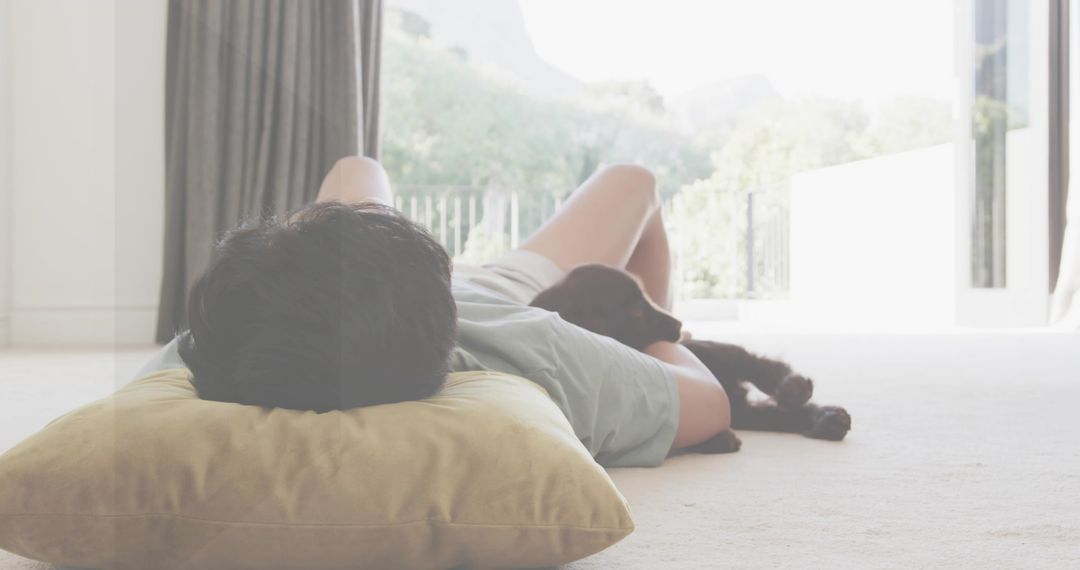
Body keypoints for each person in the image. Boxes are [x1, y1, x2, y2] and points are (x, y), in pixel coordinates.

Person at [156, 157, 731, 468]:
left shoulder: (221, 334)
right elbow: (710, 404)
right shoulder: (533, 347)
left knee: (357, 166)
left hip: (394, 297)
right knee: (634, 180)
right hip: (506, 293)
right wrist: (651, 330)